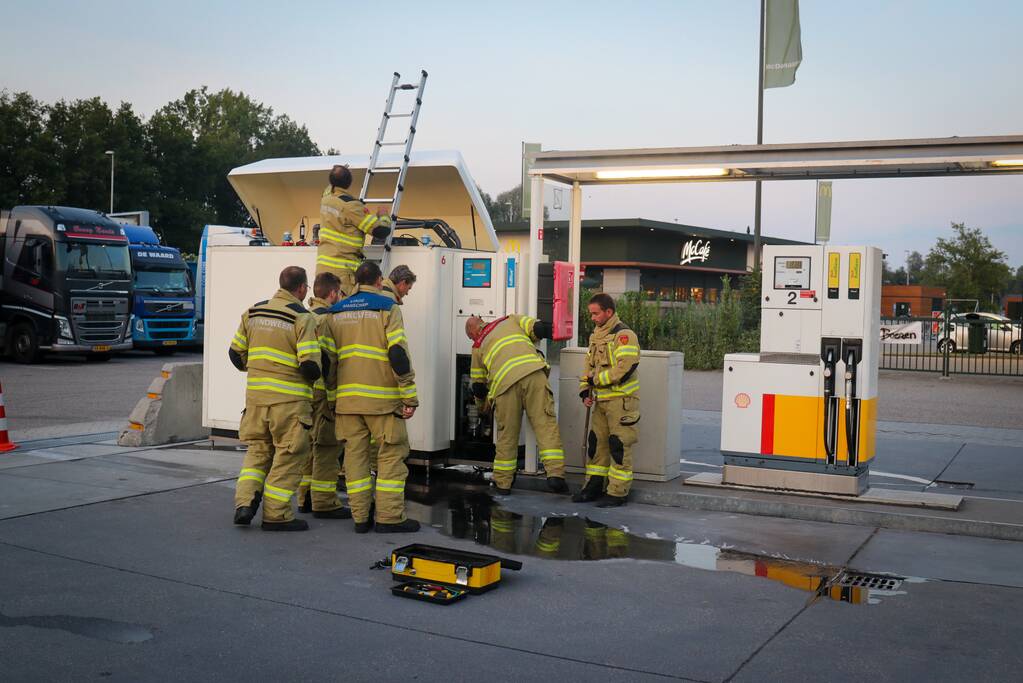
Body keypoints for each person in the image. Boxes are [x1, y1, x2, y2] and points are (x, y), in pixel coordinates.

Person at [328, 261, 420, 533]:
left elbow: (328, 362)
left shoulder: (335, 312)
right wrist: (409, 397)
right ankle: (390, 518)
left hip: (347, 402)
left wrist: (334, 400)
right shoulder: (387, 308)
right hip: (382, 401)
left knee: (354, 459)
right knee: (391, 454)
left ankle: (360, 518)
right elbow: (398, 355)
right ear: (380, 281)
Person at [230, 266, 322, 531]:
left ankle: (244, 504)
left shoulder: (254, 312)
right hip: (289, 405)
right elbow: (309, 366)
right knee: (288, 455)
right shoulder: (302, 318)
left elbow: (235, 354)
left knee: (257, 452)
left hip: (256, 401)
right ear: (302, 288)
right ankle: (276, 515)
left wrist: (258, 370)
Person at [464, 314, 568, 495]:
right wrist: (559, 329)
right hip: (534, 375)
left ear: (473, 333)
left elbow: (478, 386)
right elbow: (538, 329)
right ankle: (555, 475)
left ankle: (503, 484)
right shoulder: (510, 320)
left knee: (507, 435)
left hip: (504, 387)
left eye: (470, 336)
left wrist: (482, 409)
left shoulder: (477, 346)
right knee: (545, 425)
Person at [573, 293, 640, 507]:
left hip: (621, 402)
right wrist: (585, 390)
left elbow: (626, 367)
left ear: (608, 312)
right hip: (601, 401)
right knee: (597, 445)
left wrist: (596, 380)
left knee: (618, 446)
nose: (592, 317)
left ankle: (617, 493)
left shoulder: (624, 335)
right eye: (591, 313)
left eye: (595, 313)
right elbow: (589, 365)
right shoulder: (597, 334)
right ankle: (593, 487)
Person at [295, 272, 350, 519]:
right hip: (323, 394)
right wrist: (334, 399)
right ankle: (324, 502)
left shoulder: (303, 316)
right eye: (338, 293)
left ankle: (304, 497)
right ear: (331, 294)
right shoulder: (329, 320)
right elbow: (328, 362)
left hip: (304, 393)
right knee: (327, 446)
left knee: (307, 446)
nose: (339, 297)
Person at [316, 164, 393, 296]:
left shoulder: (326, 199)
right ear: (349, 182)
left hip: (322, 272)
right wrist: (383, 215)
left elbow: (330, 187)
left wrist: (339, 173)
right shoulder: (351, 206)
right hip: (343, 274)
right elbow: (381, 230)